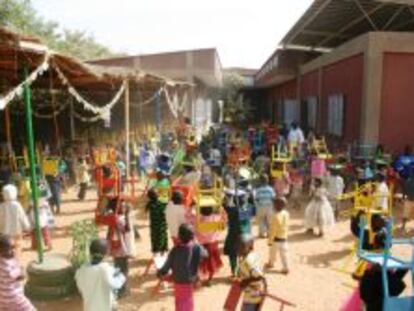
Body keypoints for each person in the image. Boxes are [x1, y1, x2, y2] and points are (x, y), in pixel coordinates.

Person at [157, 224, 207, 311]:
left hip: (177, 280)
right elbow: (206, 254)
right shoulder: (196, 248)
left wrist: (160, 273)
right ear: (192, 236)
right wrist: (197, 243)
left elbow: (166, 267)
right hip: (190, 280)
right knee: (187, 301)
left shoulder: (175, 250)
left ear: (179, 236)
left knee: (180, 301)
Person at [75, 239, 126, 311]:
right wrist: (121, 277)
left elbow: (80, 289)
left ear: (90, 253)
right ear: (106, 254)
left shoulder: (81, 271)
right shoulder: (105, 269)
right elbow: (116, 284)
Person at [0, 234, 35, 311]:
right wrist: (21, 267)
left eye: (13, 247)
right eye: (9, 249)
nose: (13, 251)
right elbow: (22, 276)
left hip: (2, 298)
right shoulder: (9, 266)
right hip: (14, 298)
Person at [238, 234, 267, 311]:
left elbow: (259, 276)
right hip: (253, 293)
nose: (239, 248)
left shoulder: (249, 261)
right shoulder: (249, 256)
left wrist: (246, 281)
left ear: (250, 247)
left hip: (252, 295)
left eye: (242, 246)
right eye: (238, 245)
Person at [0, 184, 30, 257]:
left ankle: (7, 260)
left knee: (7, 246)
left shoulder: (2, 206)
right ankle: (16, 259)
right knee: (18, 245)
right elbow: (22, 216)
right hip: (17, 230)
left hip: (5, 231)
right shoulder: (17, 205)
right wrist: (27, 226)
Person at [196, 207, 223, 286]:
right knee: (212, 263)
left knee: (203, 263)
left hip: (204, 245)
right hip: (213, 244)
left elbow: (197, 233)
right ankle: (210, 279)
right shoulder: (216, 218)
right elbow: (221, 227)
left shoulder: (200, 221)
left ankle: (201, 279)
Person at [266, 197, 289, 274]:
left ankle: (271, 263)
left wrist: (270, 241)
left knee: (272, 253)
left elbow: (273, 231)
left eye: (274, 205)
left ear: (276, 206)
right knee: (284, 254)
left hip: (276, 239)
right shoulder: (286, 213)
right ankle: (286, 267)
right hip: (284, 238)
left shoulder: (275, 217)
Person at [146, 189, 169, 255]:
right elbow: (165, 214)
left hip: (154, 226)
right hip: (161, 225)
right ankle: (162, 251)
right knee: (162, 237)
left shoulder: (150, 204)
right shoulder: (161, 204)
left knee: (154, 237)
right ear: (157, 195)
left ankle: (156, 251)